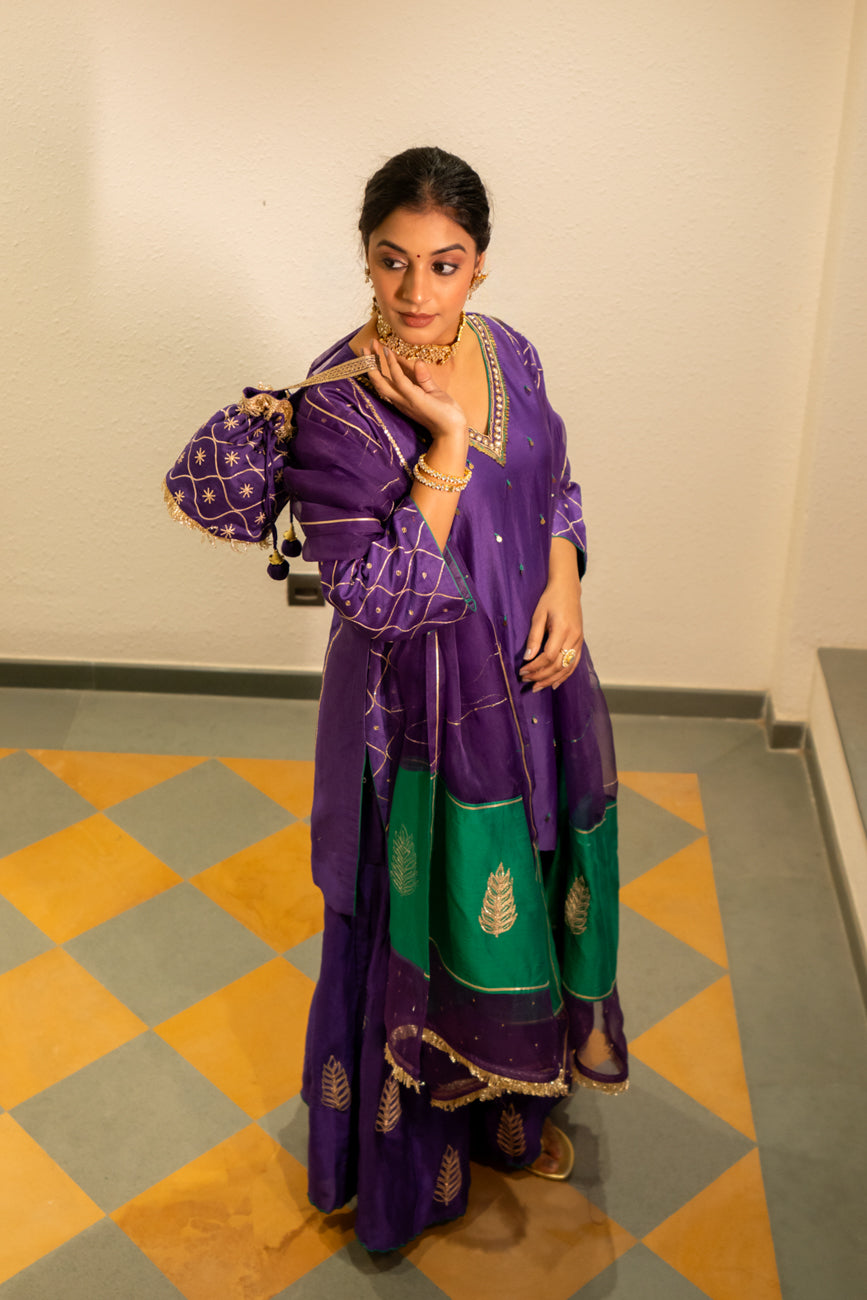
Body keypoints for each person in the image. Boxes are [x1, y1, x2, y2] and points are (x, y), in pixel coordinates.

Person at [285, 146, 627, 1253]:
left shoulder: (509, 350)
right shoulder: (335, 407)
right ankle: (408, 1177)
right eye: (393, 261)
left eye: (444, 263)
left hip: (530, 690)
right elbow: (378, 598)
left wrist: (566, 581)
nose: (417, 291)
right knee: (420, 916)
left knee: (516, 890)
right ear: (365, 258)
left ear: (479, 265)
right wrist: (442, 444)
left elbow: (555, 483)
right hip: (412, 724)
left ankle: (508, 1112)